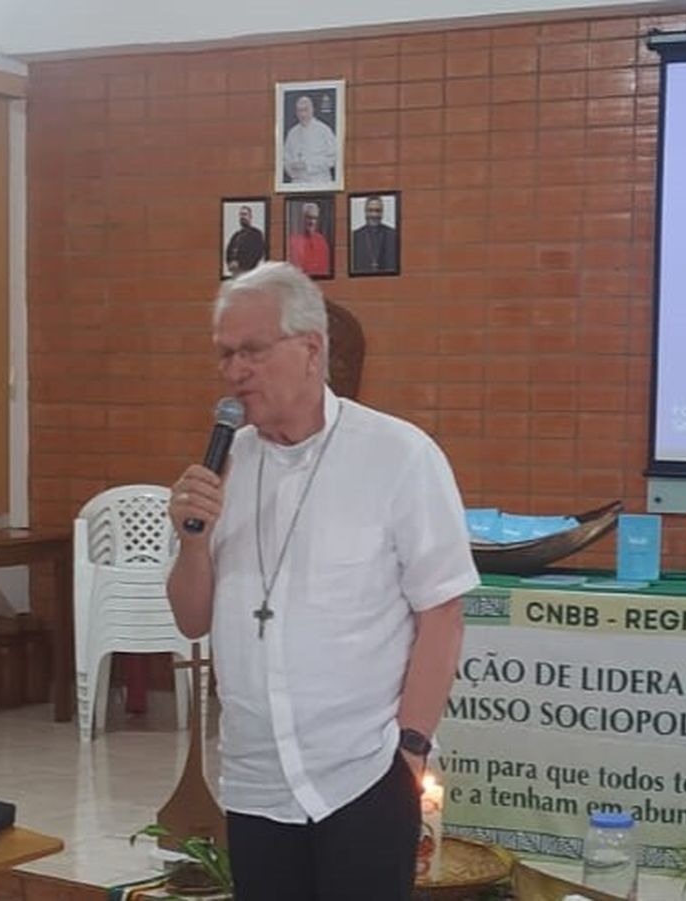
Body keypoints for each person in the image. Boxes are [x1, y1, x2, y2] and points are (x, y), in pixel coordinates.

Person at [166, 263, 476, 900]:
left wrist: (410, 753)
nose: (233, 372)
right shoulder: (225, 467)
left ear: (310, 349)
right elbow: (191, 619)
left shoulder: (397, 455)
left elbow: (441, 615)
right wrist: (193, 541)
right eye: (225, 355)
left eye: (251, 351)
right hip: (256, 781)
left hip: (362, 773)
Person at [281, 94, 337, 185]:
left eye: (305, 110)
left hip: (319, 182)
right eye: (299, 110)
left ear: (312, 109)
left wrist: (308, 165)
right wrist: (292, 168)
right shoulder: (292, 133)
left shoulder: (324, 130)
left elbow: (333, 159)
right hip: (297, 183)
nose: (303, 114)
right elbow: (285, 158)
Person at [351, 196, 398, 274]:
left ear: (382, 213)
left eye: (377, 211)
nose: (374, 215)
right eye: (370, 210)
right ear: (365, 212)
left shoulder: (393, 235)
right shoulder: (355, 236)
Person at [287, 202, 330, 278]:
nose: (312, 222)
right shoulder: (292, 241)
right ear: (302, 218)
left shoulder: (321, 241)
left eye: (315, 218)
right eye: (309, 217)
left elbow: (325, 269)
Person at [225, 205, 266, 276]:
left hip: (248, 271)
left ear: (250, 216)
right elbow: (228, 250)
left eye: (245, 214)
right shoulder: (236, 235)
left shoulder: (256, 234)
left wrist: (242, 264)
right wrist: (230, 263)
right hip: (235, 271)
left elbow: (258, 253)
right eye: (241, 215)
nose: (242, 217)